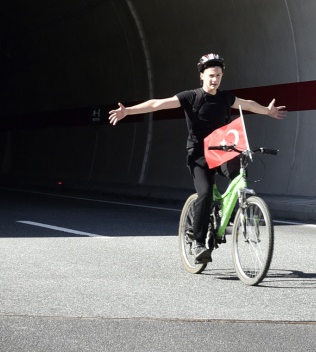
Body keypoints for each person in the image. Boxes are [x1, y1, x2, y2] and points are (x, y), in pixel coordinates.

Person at [106, 53, 287, 264]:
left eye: (218, 75)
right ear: (202, 76)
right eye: (211, 75)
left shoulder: (225, 98)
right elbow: (158, 104)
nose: (215, 79)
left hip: (222, 152)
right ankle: (199, 242)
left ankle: (231, 212)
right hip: (198, 155)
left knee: (240, 174)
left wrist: (267, 111)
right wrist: (128, 111)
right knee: (206, 192)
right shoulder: (191, 97)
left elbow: (247, 104)